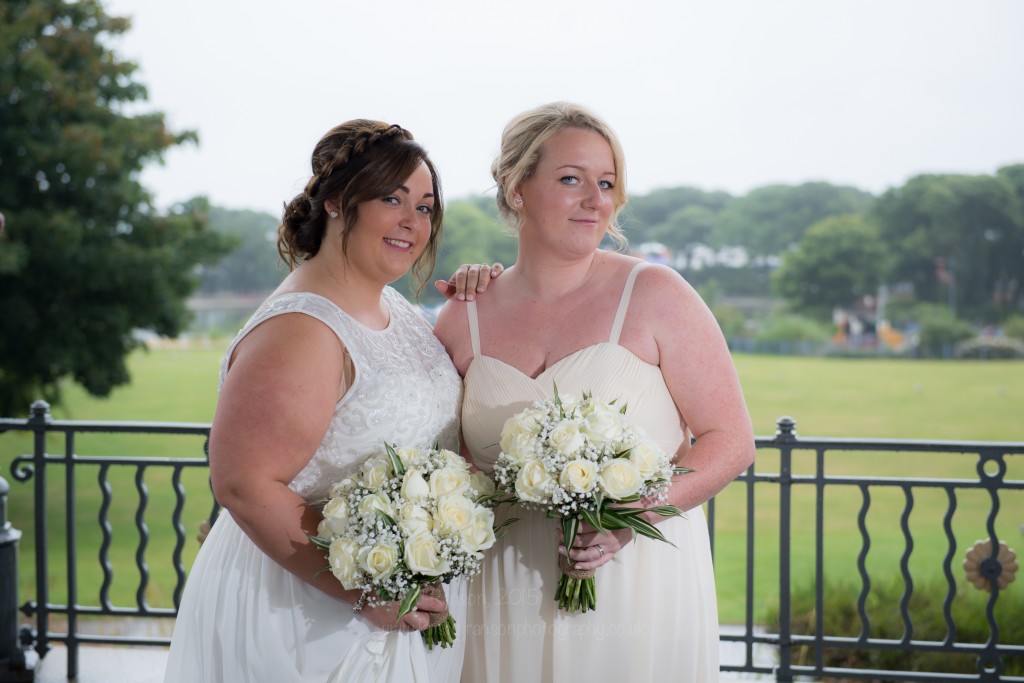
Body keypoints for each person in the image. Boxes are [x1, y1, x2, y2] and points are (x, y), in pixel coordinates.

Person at [433, 102, 756, 682]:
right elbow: (446, 461)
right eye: (570, 179)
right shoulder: (462, 316)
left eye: (606, 183)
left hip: (633, 586)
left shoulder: (656, 293)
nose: (595, 200)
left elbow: (730, 439)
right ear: (516, 190)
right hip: (500, 592)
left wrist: (631, 516)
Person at [165, 119, 469, 683]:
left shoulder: (395, 308)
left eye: (425, 206)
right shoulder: (303, 327)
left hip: (393, 600)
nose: (412, 221)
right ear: (335, 201)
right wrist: (363, 588)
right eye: (391, 198)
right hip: (305, 614)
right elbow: (243, 483)